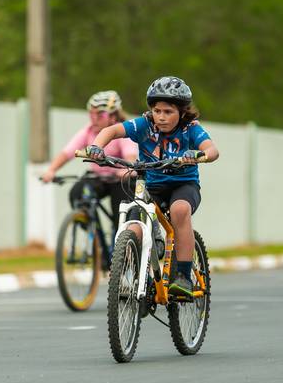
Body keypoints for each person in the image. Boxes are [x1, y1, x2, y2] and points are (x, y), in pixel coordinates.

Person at [85, 76, 219, 299]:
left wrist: (198, 154)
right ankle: (137, 277)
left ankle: (183, 276)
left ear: (182, 112)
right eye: (157, 111)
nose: (161, 117)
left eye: (168, 111)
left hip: (183, 185)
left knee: (179, 211)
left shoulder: (191, 129)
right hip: (152, 186)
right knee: (134, 227)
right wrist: (96, 147)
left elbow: (212, 150)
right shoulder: (144, 125)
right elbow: (111, 131)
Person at [41, 91, 138, 229]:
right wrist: (51, 170)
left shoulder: (121, 130)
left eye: (100, 115)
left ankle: (119, 236)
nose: (94, 119)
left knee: (121, 215)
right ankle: (94, 232)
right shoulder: (88, 131)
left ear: (113, 116)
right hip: (98, 178)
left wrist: (126, 171)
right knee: (77, 193)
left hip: (120, 180)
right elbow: (67, 152)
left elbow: (130, 156)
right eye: (91, 114)